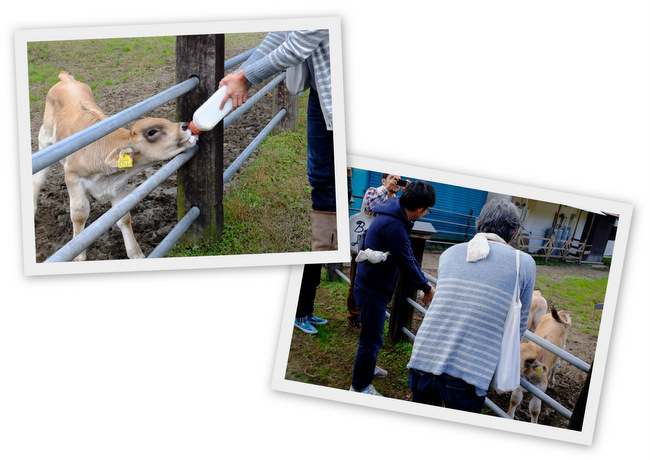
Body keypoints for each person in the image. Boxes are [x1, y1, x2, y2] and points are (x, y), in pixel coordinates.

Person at [219, 31, 335, 335]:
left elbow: (297, 43)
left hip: (333, 99)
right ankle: (301, 309)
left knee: (326, 191)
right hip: (324, 96)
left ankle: (304, 307)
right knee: (323, 187)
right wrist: (241, 75)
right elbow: (285, 35)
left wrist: (245, 75)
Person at [407, 199, 536, 413]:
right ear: (513, 233)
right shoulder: (524, 263)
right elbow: (520, 326)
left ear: (479, 224)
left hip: (423, 359)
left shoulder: (449, 253)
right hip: (468, 374)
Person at [350, 181, 436, 396]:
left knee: (373, 336)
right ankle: (359, 386)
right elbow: (406, 261)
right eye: (427, 209)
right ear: (419, 208)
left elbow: (406, 253)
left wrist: (425, 283)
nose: (426, 213)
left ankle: (368, 366)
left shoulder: (397, 212)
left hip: (372, 285)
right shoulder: (395, 225)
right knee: (371, 340)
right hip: (372, 289)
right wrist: (426, 288)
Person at [347, 174, 407, 333]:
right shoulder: (373, 192)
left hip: (385, 248)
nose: (395, 181)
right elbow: (370, 206)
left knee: (376, 282)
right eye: (392, 177)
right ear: (383, 180)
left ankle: (367, 314)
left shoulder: (398, 200)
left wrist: (407, 193)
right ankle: (353, 315)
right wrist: (386, 190)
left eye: (398, 179)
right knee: (356, 279)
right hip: (365, 244)